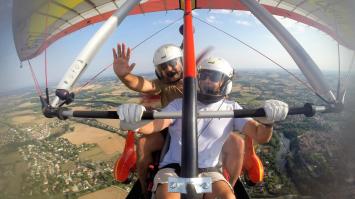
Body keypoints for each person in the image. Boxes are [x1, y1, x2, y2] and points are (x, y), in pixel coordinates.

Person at [117, 56, 289, 199]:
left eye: (213, 77)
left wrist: (268, 122)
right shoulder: (179, 105)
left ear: (225, 83)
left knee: (228, 197)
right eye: (204, 75)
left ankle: (228, 186)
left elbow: (260, 135)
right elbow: (156, 125)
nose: (207, 80)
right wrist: (137, 123)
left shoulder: (232, 108)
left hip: (209, 174)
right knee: (168, 196)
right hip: (175, 170)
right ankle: (147, 189)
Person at [113, 43, 243, 193]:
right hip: (171, 127)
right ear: (158, 72)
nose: (168, 69)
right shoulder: (162, 85)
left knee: (238, 142)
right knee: (143, 143)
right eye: (163, 67)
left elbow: (218, 89)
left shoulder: (200, 79)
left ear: (182, 63)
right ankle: (144, 188)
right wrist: (124, 75)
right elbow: (141, 85)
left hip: (206, 125)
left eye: (172, 63)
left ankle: (231, 185)